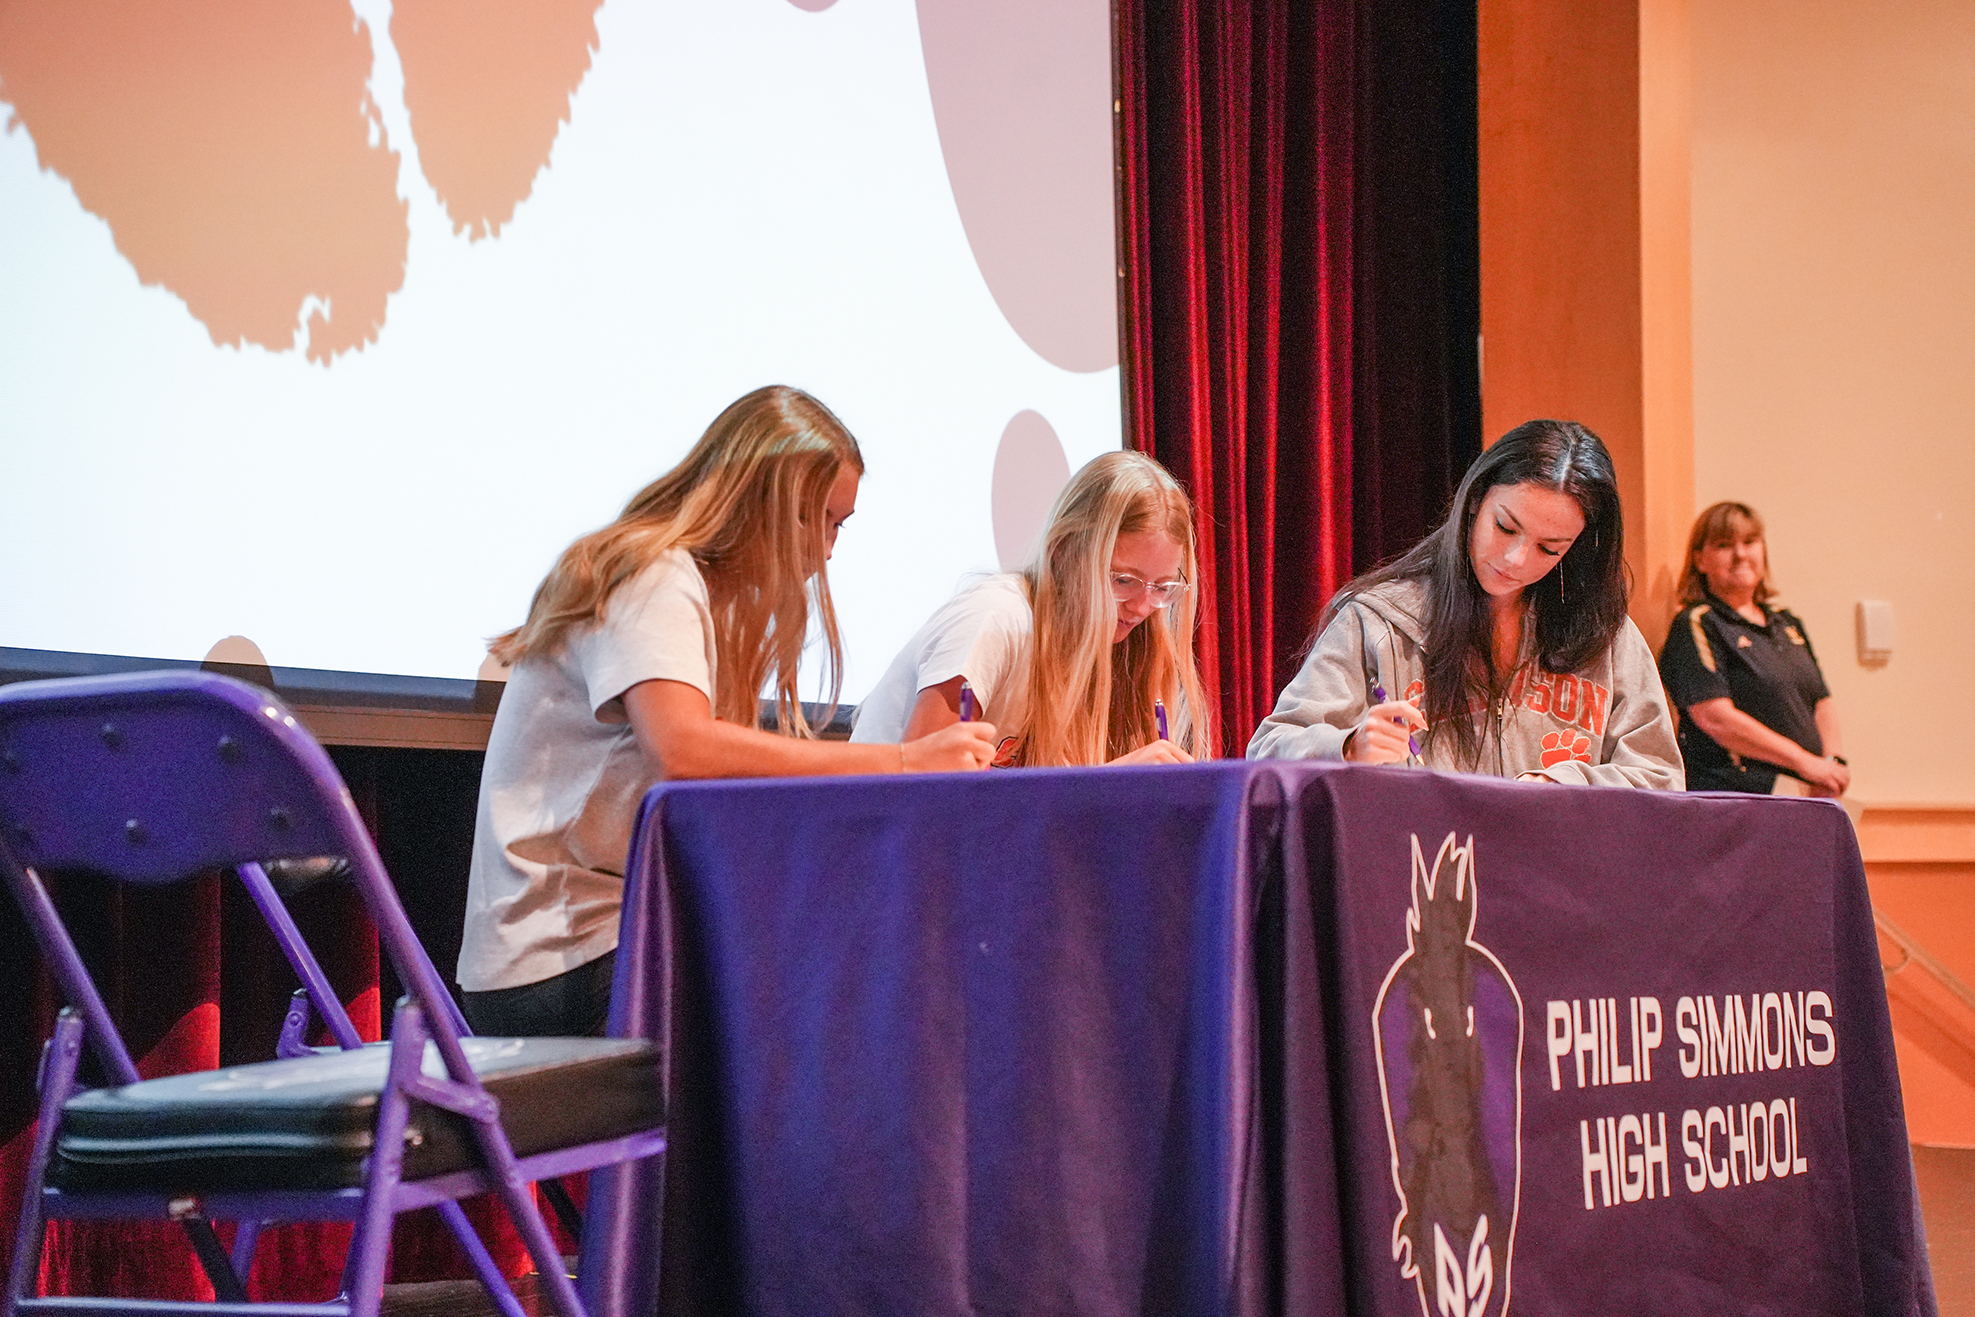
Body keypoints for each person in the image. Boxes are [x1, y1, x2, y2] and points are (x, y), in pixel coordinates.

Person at [458, 386, 998, 1035]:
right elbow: (684, 752)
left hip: (601, 944)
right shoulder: (653, 574)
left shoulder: (687, 588)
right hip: (564, 963)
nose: (826, 551)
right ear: (756, 497)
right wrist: (904, 760)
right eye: (815, 518)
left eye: (838, 526)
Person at [1248, 419, 1682, 788]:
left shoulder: (1605, 633)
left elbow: (1660, 776)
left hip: (1557, 880)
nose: (1516, 560)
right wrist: (1346, 747)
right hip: (1420, 876)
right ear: (1475, 500)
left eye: (1550, 549)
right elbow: (1267, 753)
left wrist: (1563, 786)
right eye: (1505, 527)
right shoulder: (1379, 621)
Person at [851, 450, 1212, 766]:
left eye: (1162, 587)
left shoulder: (1135, 654)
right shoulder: (996, 617)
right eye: (1122, 581)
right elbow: (922, 790)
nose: (1143, 606)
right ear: (1062, 553)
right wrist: (1104, 789)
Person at [1657, 502, 1848, 796]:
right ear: (1700, 560)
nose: (1741, 554)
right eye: (1724, 545)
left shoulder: (1787, 622)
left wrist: (1832, 764)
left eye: (1750, 542)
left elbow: (1821, 701)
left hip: (1804, 793)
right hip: (1736, 796)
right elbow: (1714, 717)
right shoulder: (1697, 623)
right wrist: (1804, 763)